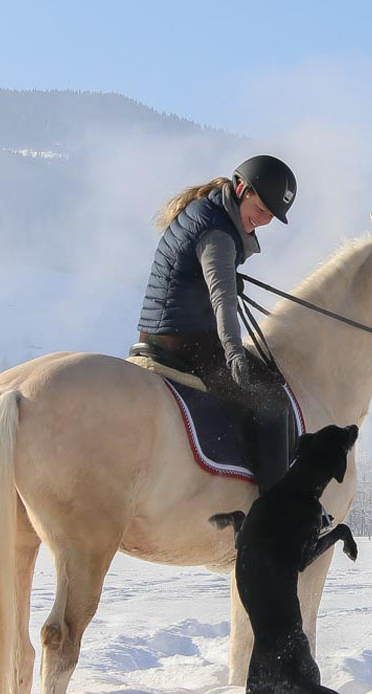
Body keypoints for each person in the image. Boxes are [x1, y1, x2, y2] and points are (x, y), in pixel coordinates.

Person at [134, 155, 299, 487]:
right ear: (241, 188)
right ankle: (276, 516)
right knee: (273, 403)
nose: (264, 221)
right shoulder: (219, 233)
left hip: (162, 331)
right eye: (262, 209)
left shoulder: (208, 212)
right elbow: (222, 298)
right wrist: (234, 351)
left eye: (271, 216)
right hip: (184, 342)